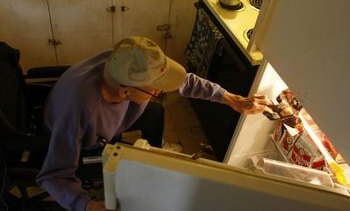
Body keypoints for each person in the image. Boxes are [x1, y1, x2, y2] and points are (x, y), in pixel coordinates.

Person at [36, 36, 272, 211]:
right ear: (126, 91)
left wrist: (232, 99)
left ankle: (151, 159)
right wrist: (86, 205)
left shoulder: (126, 61)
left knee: (155, 110)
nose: (162, 90)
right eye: (156, 88)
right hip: (79, 136)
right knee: (149, 113)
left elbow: (184, 82)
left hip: (108, 117)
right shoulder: (80, 110)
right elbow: (53, 175)